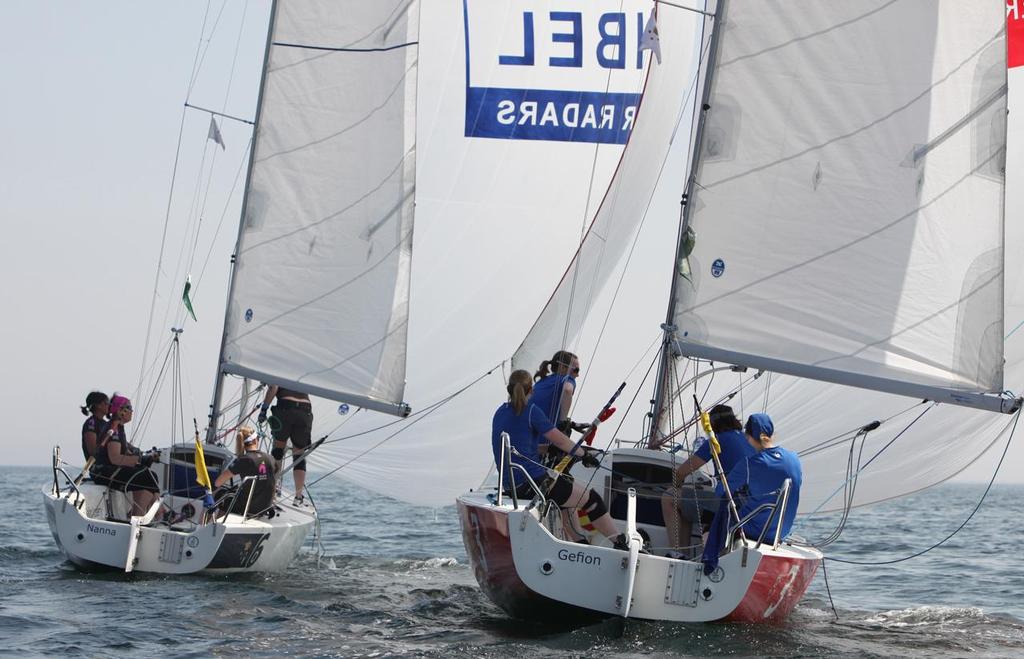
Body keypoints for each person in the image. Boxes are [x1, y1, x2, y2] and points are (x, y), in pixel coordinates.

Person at [493, 370, 630, 550]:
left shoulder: (499, 412)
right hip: (533, 484)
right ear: (531, 391)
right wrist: (584, 455)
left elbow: (519, 445)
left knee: (564, 494)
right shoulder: (532, 411)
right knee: (592, 499)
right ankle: (620, 544)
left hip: (513, 486)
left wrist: (546, 448)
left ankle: (579, 545)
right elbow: (561, 440)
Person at [702, 413, 802, 572]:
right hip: (780, 532)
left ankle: (709, 565)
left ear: (748, 437)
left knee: (710, 518)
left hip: (754, 531)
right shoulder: (794, 458)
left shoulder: (749, 464)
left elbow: (721, 491)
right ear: (771, 434)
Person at [659, 404, 757, 552]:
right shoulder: (747, 440)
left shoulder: (716, 440)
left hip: (731, 503)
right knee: (685, 505)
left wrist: (677, 486)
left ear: (713, 424)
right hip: (751, 504)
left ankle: (678, 554)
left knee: (670, 497)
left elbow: (681, 473)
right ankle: (683, 553)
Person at [91, 394, 162, 517]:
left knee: (150, 475)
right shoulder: (114, 429)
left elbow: (125, 452)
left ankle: (155, 513)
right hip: (103, 472)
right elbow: (115, 458)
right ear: (120, 411)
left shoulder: (119, 428)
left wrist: (144, 457)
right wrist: (140, 459)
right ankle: (140, 516)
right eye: (129, 408)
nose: (131, 411)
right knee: (147, 476)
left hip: (109, 470)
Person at [258, 384, 313, 506]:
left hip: (285, 408)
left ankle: (273, 490)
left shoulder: (277, 368)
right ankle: (298, 497)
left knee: (278, 451)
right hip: (305, 410)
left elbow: (274, 387)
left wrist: (263, 409)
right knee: (299, 455)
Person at [213, 427, 276, 517]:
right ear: (255, 440)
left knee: (221, 495)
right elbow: (272, 483)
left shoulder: (245, 459)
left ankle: (209, 526)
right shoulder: (270, 458)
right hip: (265, 508)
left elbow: (218, 482)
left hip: (248, 508)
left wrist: (211, 489)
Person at [80, 391, 109, 462]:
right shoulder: (91, 424)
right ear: (98, 405)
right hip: (99, 467)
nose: (109, 405)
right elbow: (93, 451)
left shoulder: (106, 424)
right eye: (106, 403)